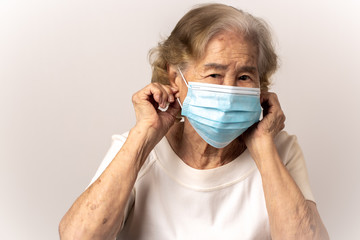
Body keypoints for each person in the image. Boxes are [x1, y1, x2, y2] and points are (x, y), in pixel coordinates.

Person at [59, 3, 329, 239]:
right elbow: (79, 237)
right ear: (176, 78)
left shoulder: (280, 149)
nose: (230, 91)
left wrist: (264, 148)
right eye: (214, 75)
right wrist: (143, 138)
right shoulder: (134, 149)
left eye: (245, 77)